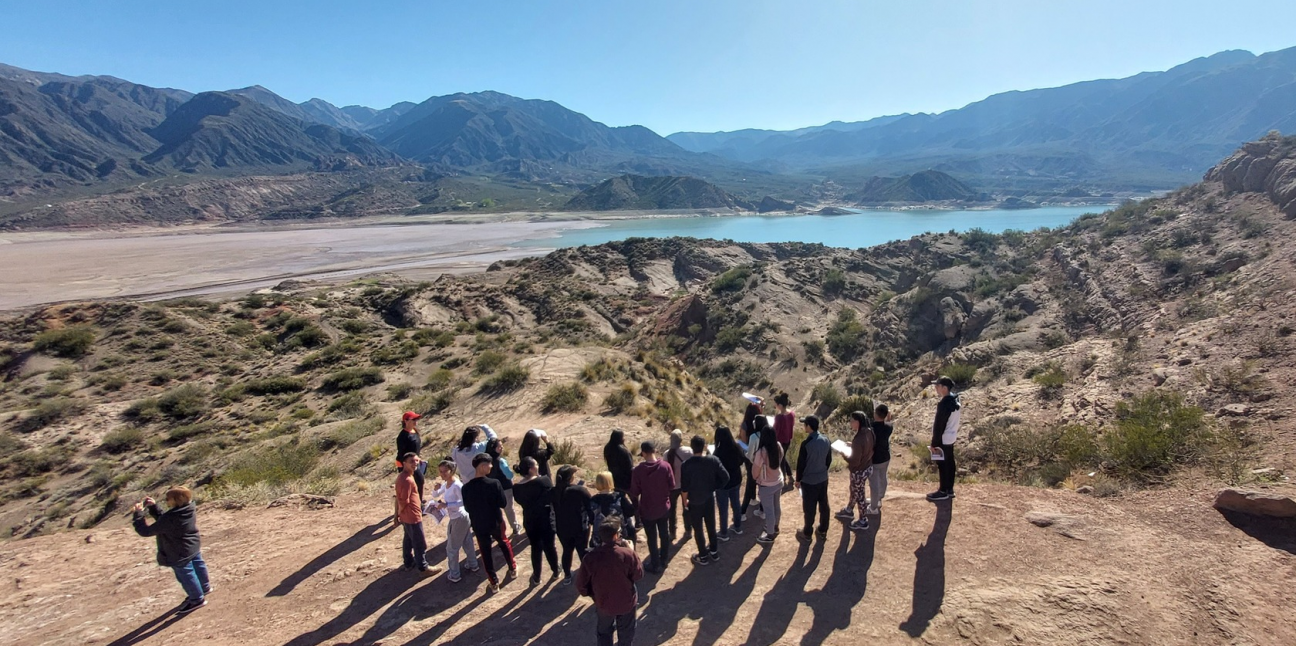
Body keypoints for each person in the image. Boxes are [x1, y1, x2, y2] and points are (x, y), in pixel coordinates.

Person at [131, 486, 210, 615]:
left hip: (178, 551)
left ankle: (196, 599)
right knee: (198, 564)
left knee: (186, 574)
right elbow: (166, 520)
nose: (166, 501)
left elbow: (145, 531)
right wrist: (153, 508)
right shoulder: (188, 508)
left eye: (167, 499)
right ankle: (204, 587)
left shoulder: (171, 517)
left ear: (175, 500)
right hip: (191, 545)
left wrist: (138, 515)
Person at [576, 519, 644, 646]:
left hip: (604, 602)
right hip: (626, 602)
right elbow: (638, 575)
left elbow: (581, 586)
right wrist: (632, 550)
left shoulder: (590, 558)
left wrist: (594, 595)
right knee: (626, 634)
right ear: (615, 535)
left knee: (604, 633)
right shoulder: (627, 554)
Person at [462, 452, 517, 591]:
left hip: (479, 524)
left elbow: (467, 508)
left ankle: (493, 582)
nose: (491, 466)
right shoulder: (494, 483)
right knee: (504, 543)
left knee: (485, 552)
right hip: (495, 521)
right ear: (482, 466)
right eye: (489, 464)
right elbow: (503, 503)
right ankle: (512, 569)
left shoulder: (466, 488)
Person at [680, 435, 728, 566]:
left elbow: (684, 488)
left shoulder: (686, 465)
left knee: (698, 529)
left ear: (691, 447)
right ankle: (714, 551)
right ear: (704, 446)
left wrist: (685, 502)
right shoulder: (712, 460)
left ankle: (703, 556)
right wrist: (715, 487)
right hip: (708, 499)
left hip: (694, 501)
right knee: (711, 526)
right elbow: (725, 477)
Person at [429, 460, 479, 583]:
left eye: (445, 471)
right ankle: (473, 564)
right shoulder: (446, 484)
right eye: (440, 471)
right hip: (458, 518)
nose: (442, 474)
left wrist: (447, 505)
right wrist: (435, 490)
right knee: (467, 541)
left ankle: (454, 574)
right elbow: (435, 495)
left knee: (451, 548)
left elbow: (464, 501)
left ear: (451, 470)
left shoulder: (457, 485)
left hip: (459, 518)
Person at [513, 457, 561, 584]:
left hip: (530, 520)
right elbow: (552, 496)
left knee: (535, 548)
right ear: (532, 468)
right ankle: (556, 570)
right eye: (536, 464)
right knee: (550, 547)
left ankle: (536, 576)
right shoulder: (543, 480)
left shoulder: (517, 488)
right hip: (545, 518)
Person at [629, 440, 674, 573]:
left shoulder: (638, 471)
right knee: (664, 534)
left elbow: (634, 492)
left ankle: (655, 563)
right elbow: (672, 485)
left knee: (652, 538)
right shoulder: (666, 466)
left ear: (643, 453)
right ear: (655, 451)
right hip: (663, 507)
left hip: (647, 509)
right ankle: (664, 559)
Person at [394, 452, 441, 575]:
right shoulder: (407, 480)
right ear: (404, 463)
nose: (415, 464)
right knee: (419, 542)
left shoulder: (402, 477)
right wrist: (399, 514)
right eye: (411, 461)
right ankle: (423, 567)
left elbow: (397, 499)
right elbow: (403, 501)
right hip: (412, 516)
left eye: (416, 461)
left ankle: (408, 563)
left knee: (408, 539)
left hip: (406, 516)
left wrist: (397, 515)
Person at [794, 415, 832, 541]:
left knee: (809, 508)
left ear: (809, 427)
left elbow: (801, 465)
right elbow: (828, 460)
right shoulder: (826, 439)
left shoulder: (806, 444)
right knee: (824, 504)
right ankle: (822, 529)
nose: (804, 426)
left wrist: (798, 480)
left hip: (809, 482)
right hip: (822, 478)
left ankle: (807, 532)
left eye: (805, 424)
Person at [836, 411, 876, 530]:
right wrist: (852, 445)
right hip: (867, 467)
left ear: (858, 422)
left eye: (852, 421)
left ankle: (863, 520)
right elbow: (868, 448)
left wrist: (843, 453)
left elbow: (854, 461)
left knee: (860, 495)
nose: (850, 423)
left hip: (859, 471)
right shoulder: (869, 431)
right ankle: (849, 510)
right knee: (854, 490)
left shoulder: (859, 439)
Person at [554, 465, 593, 585]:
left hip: (562, 528)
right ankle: (588, 576)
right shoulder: (579, 491)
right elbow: (590, 507)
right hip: (580, 527)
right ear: (570, 478)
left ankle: (567, 576)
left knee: (567, 551)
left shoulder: (553, 492)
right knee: (583, 551)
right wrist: (592, 521)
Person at [928, 377, 962, 502]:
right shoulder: (955, 399)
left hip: (943, 438)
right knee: (950, 462)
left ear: (944, 388)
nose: (936, 388)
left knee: (942, 464)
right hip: (951, 436)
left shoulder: (944, 405)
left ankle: (943, 491)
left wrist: (934, 443)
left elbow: (939, 426)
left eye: (938, 386)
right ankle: (950, 489)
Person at [711, 425, 745, 540]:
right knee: (736, 504)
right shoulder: (737, 447)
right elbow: (741, 461)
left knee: (723, 509)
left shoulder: (717, 452)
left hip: (723, 485)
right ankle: (737, 526)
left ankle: (724, 533)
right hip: (736, 481)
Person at [752, 423, 784, 544]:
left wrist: (756, 478)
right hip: (778, 481)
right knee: (776, 506)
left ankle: (770, 535)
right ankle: (775, 527)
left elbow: (755, 471)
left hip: (766, 485)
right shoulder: (778, 446)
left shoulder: (761, 452)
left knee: (769, 511)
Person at [588, 472, 636, 547]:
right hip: (619, 535)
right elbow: (630, 512)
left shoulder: (593, 500)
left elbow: (591, 519)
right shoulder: (619, 497)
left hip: (600, 537)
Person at [485, 437, 520, 535]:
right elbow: (509, 475)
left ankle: (496, 531)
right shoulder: (500, 461)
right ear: (494, 448)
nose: (502, 448)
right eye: (499, 446)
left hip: (492, 489)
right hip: (505, 488)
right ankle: (515, 527)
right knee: (509, 509)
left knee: (494, 511)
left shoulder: (485, 460)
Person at [663, 429, 693, 539]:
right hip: (686, 485)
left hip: (672, 486)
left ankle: (672, 532)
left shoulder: (667, 454)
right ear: (681, 439)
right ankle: (688, 529)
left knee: (672, 510)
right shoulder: (688, 451)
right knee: (687, 507)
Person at [742, 415, 770, 521]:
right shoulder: (769, 434)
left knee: (749, 488)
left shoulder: (754, 436)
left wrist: (746, 455)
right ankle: (762, 510)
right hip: (766, 466)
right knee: (763, 489)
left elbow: (750, 455)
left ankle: (742, 512)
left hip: (755, 466)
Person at [868, 404, 894, 514]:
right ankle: (878, 499)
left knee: (873, 483)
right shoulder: (889, 427)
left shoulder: (871, 428)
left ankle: (873, 508)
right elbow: (888, 422)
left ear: (875, 414)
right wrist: (888, 417)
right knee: (882, 478)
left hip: (875, 459)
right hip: (885, 457)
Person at [396, 411, 427, 500]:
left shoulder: (414, 431)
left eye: (416, 419)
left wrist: (417, 458)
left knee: (418, 481)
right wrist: (407, 465)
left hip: (414, 462)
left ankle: (417, 500)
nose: (415, 421)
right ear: (406, 421)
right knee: (417, 481)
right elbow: (402, 453)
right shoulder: (402, 436)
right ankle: (417, 503)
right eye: (413, 419)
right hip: (407, 464)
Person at [772, 392, 796, 482]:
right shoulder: (792, 414)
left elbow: (775, 429)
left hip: (780, 441)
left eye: (777, 404)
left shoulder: (779, 417)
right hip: (788, 439)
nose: (776, 406)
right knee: (783, 457)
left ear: (780, 405)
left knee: (781, 459)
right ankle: (790, 476)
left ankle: (784, 478)